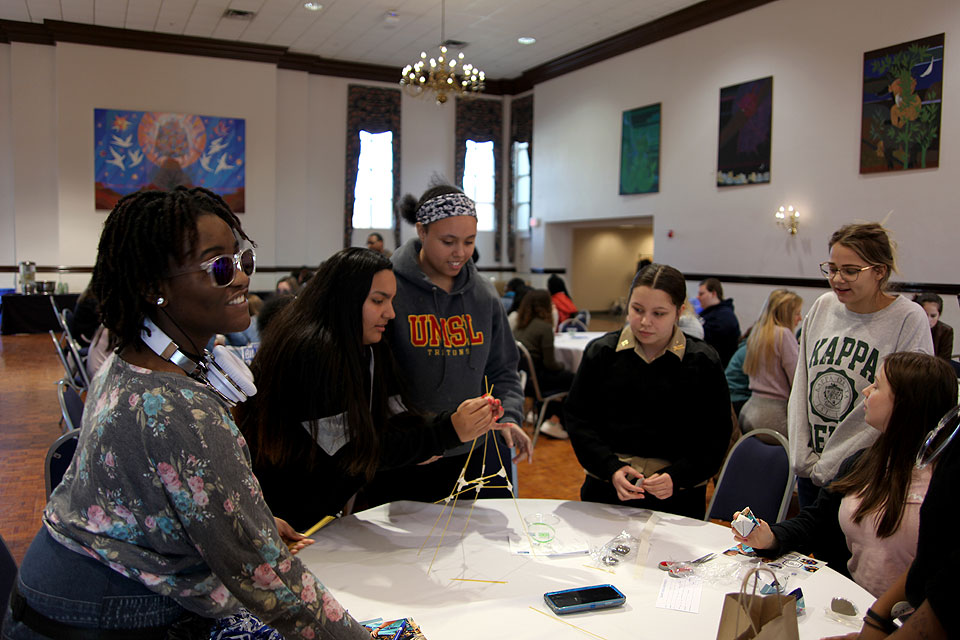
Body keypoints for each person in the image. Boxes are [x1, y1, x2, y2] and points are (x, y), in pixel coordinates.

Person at [2, 188, 369, 639]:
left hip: (57, 597)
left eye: (242, 260)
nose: (239, 278)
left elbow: (145, 497)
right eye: (218, 267)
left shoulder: (129, 360)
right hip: (92, 619)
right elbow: (268, 579)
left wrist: (243, 520)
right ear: (155, 287)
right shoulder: (183, 411)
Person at [236, 248, 504, 531]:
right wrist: (447, 431)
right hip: (284, 516)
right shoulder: (312, 351)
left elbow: (394, 412)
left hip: (323, 512)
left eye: (391, 300)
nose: (390, 312)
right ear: (346, 299)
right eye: (378, 301)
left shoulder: (369, 346)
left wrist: (451, 422)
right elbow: (349, 449)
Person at [361, 183, 531, 507]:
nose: (460, 253)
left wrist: (508, 415)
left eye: (469, 242)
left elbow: (504, 371)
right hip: (405, 454)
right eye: (448, 241)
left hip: (471, 454)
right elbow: (369, 377)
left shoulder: (483, 296)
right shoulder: (389, 287)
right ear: (422, 231)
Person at [733, 352, 957, 597]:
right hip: (851, 604)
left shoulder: (942, 481)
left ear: (907, 403)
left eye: (877, 386)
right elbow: (818, 521)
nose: (866, 391)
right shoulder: (862, 462)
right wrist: (771, 537)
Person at [565, 263, 732, 519]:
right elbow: (578, 420)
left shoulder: (702, 361)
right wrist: (610, 468)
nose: (645, 322)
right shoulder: (602, 353)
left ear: (679, 312)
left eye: (659, 313)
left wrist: (677, 477)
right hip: (607, 489)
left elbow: (716, 436)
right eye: (637, 310)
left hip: (678, 497)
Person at [788, 222, 933, 508]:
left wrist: (835, 463)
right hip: (810, 469)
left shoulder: (907, 318)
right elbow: (801, 383)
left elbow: (905, 407)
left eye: (851, 271)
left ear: (879, 271)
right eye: (831, 269)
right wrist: (800, 455)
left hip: (864, 475)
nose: (838, 279)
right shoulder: (822, 307)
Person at [738, 289, 802, 438]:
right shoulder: (783, 335)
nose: (799, 319)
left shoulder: (757, 333)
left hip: (750, 409)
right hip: (774, 415)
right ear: (787, 313)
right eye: (797, 313)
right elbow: (796, 379)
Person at [513, 289, 575, 438]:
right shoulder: (544, 327)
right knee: (575, 379)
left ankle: (548, 418)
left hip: (522, 382)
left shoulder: (520, 326)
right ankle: (557, 421)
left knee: (562, 378)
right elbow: (550, 364)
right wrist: (564, 365)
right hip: (538, 383)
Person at [697, 277, 741, 367]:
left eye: (701, 294)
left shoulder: (724, 317)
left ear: (713, 293)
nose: (698, 297)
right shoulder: (709, 313)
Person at [912, 292, 954, 363]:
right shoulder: (911, 327)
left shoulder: (945, 331)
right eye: (924, 314)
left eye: (933, 316)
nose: (928, 320)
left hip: (936, 369)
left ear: (939, 315)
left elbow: (945, 361)